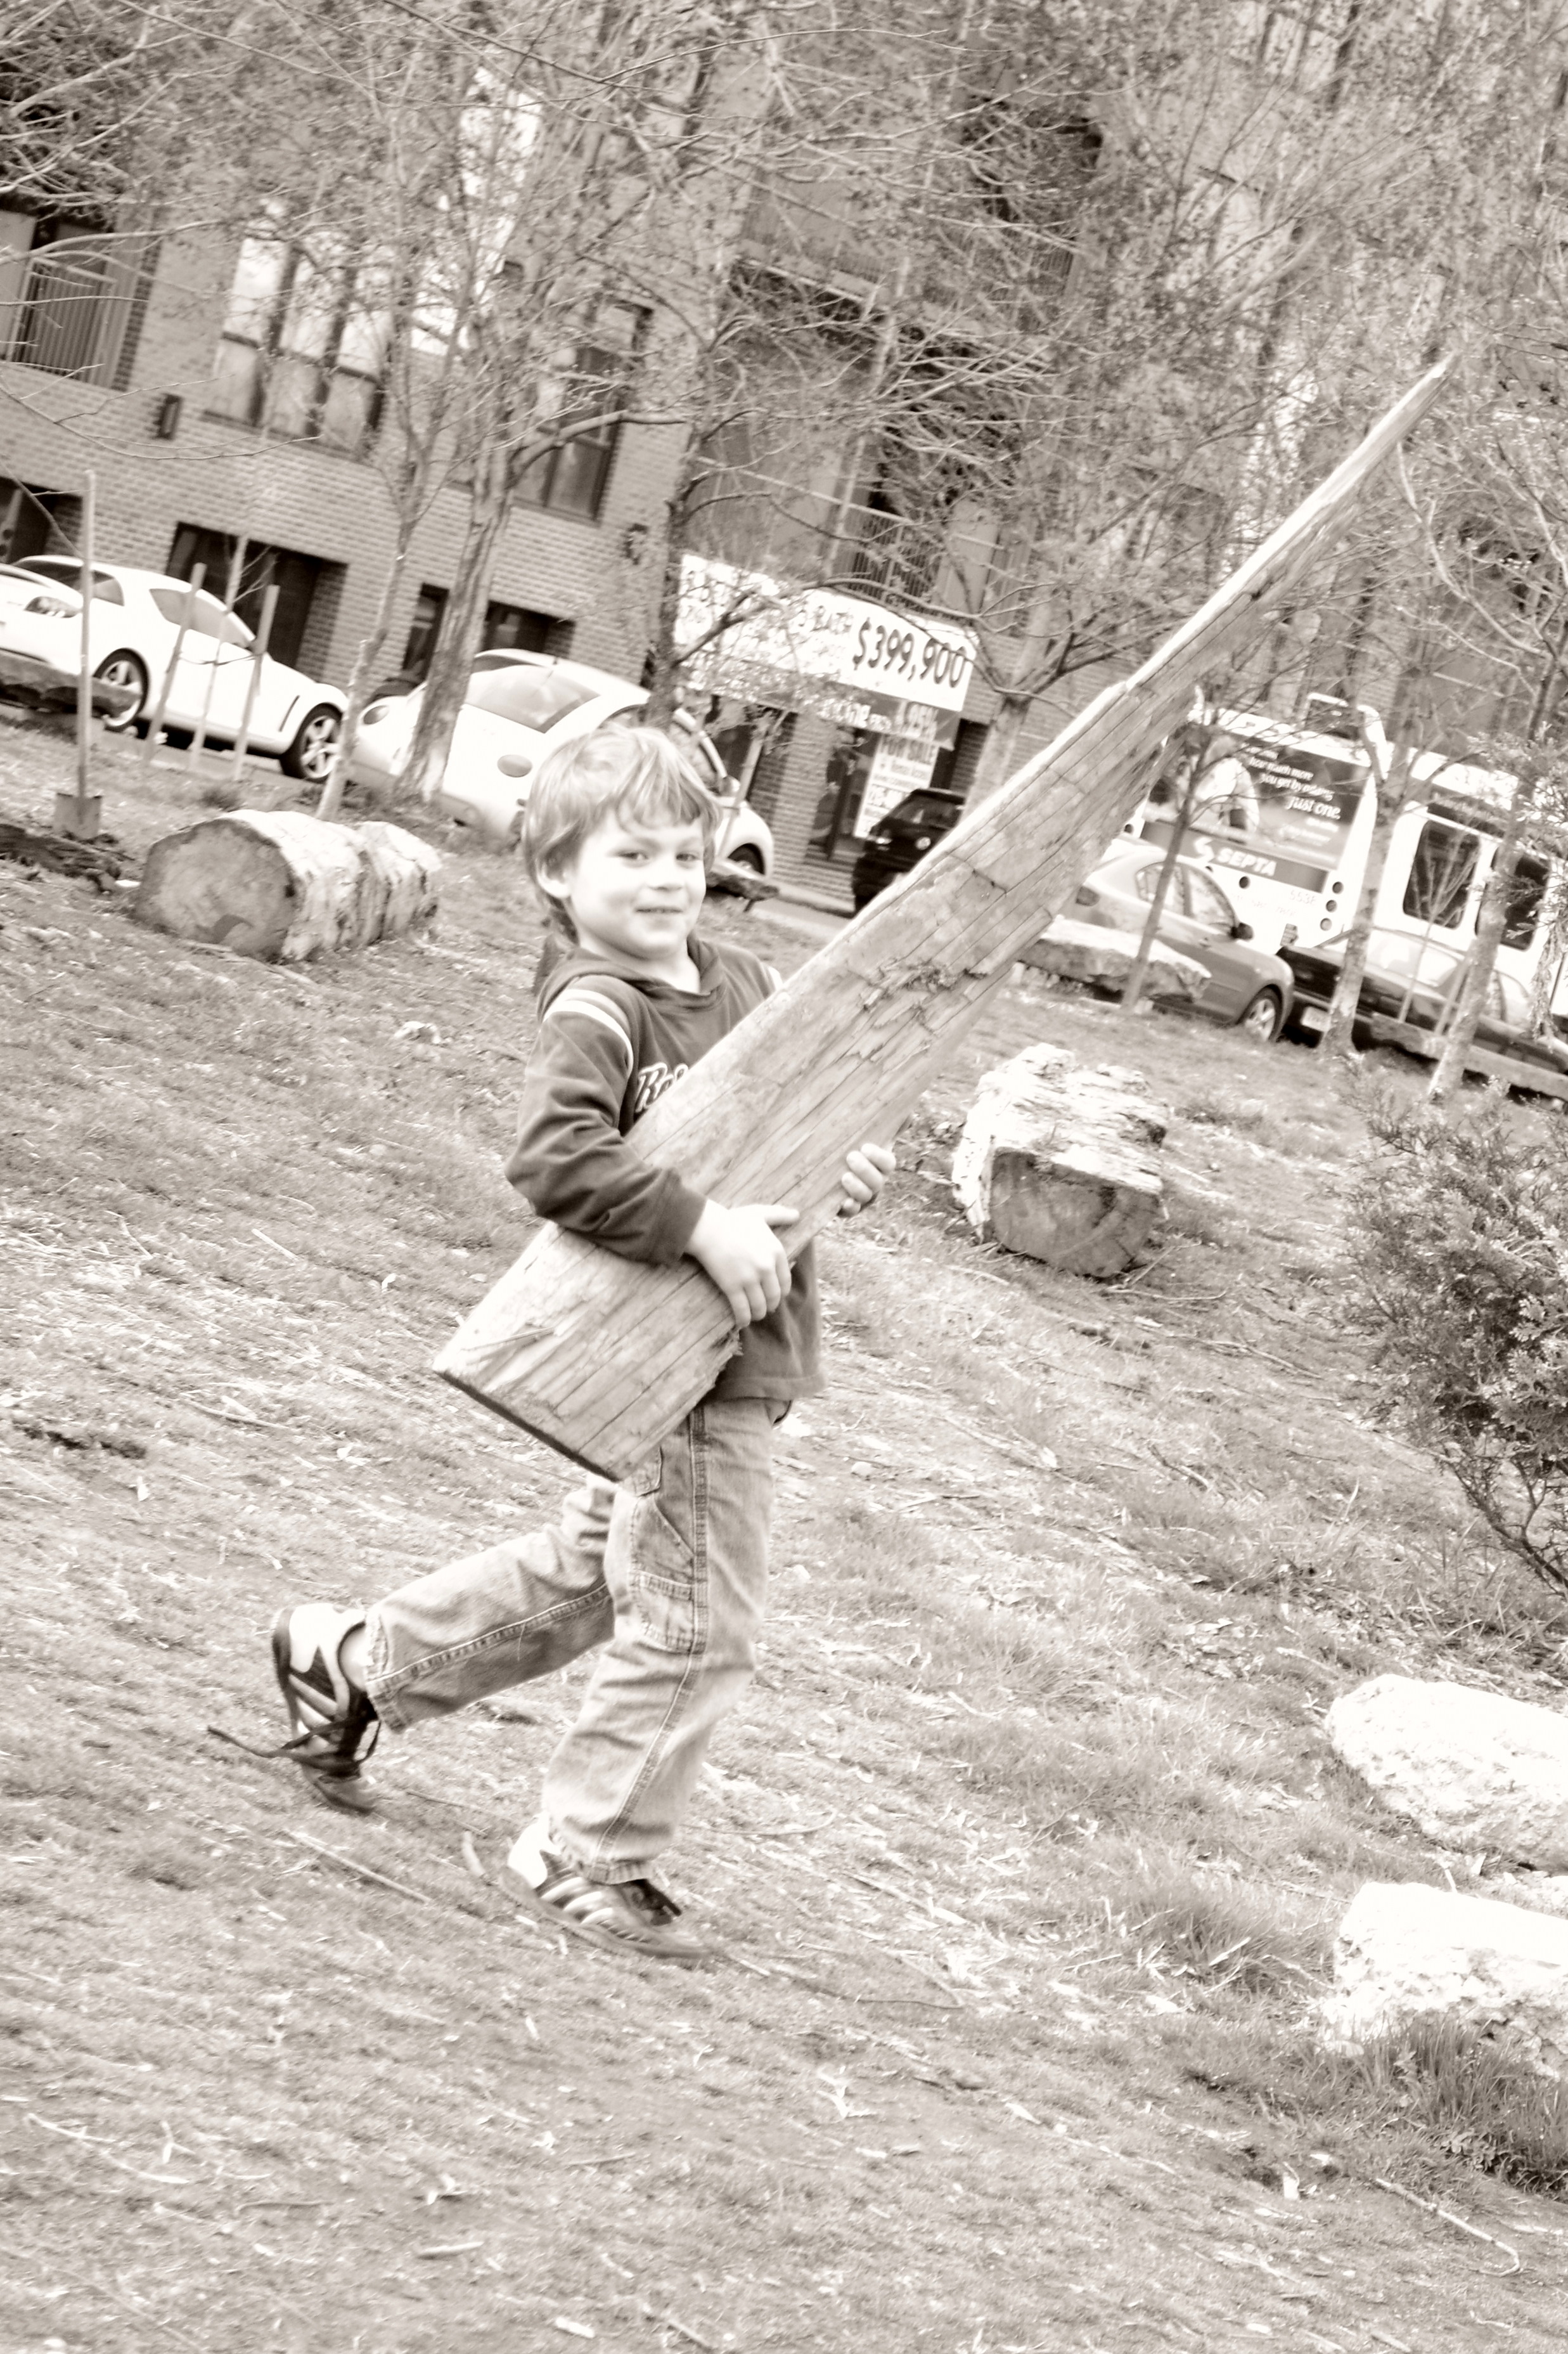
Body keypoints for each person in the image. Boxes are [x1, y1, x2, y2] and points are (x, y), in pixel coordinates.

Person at [268, 725, 894, 1961]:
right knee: (698, 1621)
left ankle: (359, 1663)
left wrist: (838, 1165)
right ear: (557, 872)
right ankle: (588, 1846)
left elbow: (781, 1129)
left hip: (741, 1348)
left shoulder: (745, 983)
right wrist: (699, 1227)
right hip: (671, 1363)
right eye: (632, 856)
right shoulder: (597, 1008)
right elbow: (557, 1160)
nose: (667, 880)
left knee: (593, 1575)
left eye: (685, 855)